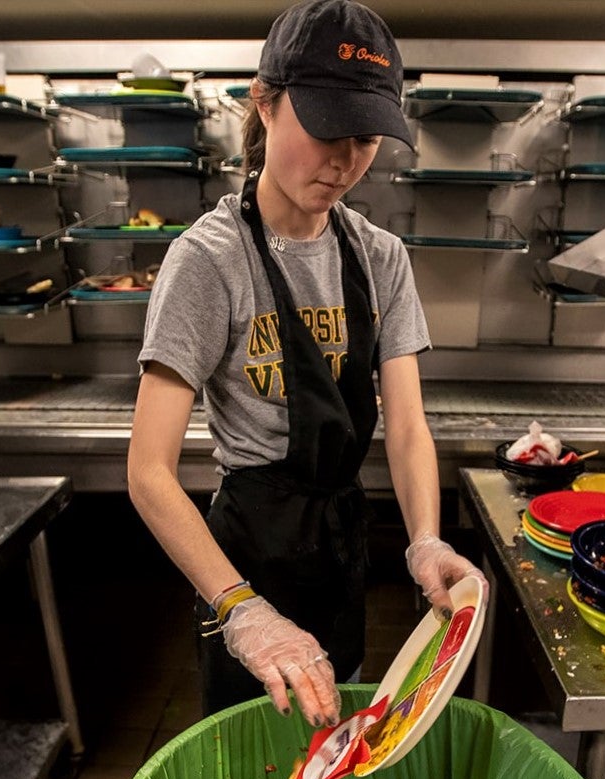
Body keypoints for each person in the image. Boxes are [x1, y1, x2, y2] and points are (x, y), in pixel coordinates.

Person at [128, 0, 484, 728]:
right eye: (326, 129)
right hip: (246, 558)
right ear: (264, 102)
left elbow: (408, 426)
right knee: (253, 759)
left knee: (329, 740)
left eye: (365, 138)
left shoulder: (379, 256)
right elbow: (148, 471)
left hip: (339, 544)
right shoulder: (209, 261)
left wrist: (425, 537)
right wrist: (242, 612)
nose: (345, 162)